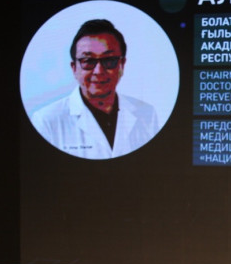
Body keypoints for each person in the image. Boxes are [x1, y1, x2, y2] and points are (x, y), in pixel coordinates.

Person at [31, 19, 159, 159]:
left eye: (109, 60)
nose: (99, 71)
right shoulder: (46, 121)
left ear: (122, 65)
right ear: (74, 68)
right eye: (88, 61)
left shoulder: (147, 114)